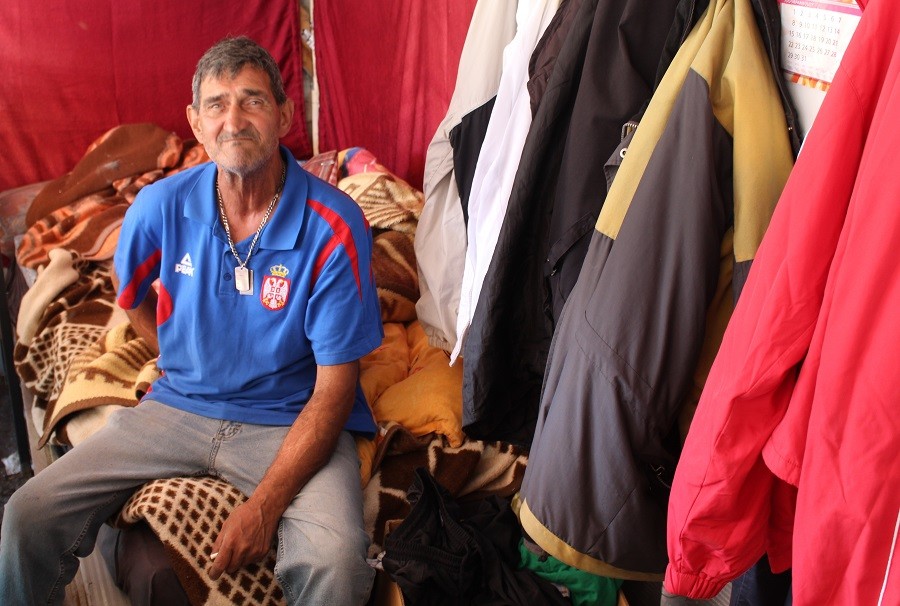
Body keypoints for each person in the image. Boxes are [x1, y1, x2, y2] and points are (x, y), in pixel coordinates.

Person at [0, 36, 382, 605]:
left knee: (337, 561)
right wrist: (178, 355)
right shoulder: (159, 206)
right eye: (216, 104)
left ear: (283, 115)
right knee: (27, 514)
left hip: (291, 418)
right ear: (195, 123)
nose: (234, 120)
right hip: (176, 407)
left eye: (253, 100)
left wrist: (264, 509)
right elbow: (131, 296)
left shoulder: (335, 224)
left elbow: (334, 392)